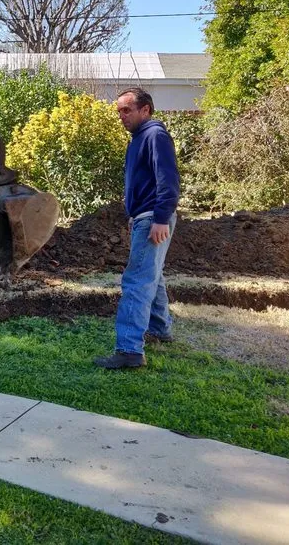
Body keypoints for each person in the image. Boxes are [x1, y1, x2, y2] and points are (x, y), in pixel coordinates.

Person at [94, 87, 180, 370]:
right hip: (145, 216)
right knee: (153, 276)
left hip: (154, 218)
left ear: (146, 110)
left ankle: (130, 350)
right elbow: (145, 182)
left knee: (136, 282)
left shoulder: (154, 135)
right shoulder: (139, 139)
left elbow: (168, 181)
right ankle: (160, 329)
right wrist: (136, 212)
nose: (121, 116)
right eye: (119, 111)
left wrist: (158, 218)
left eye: (127, 110)